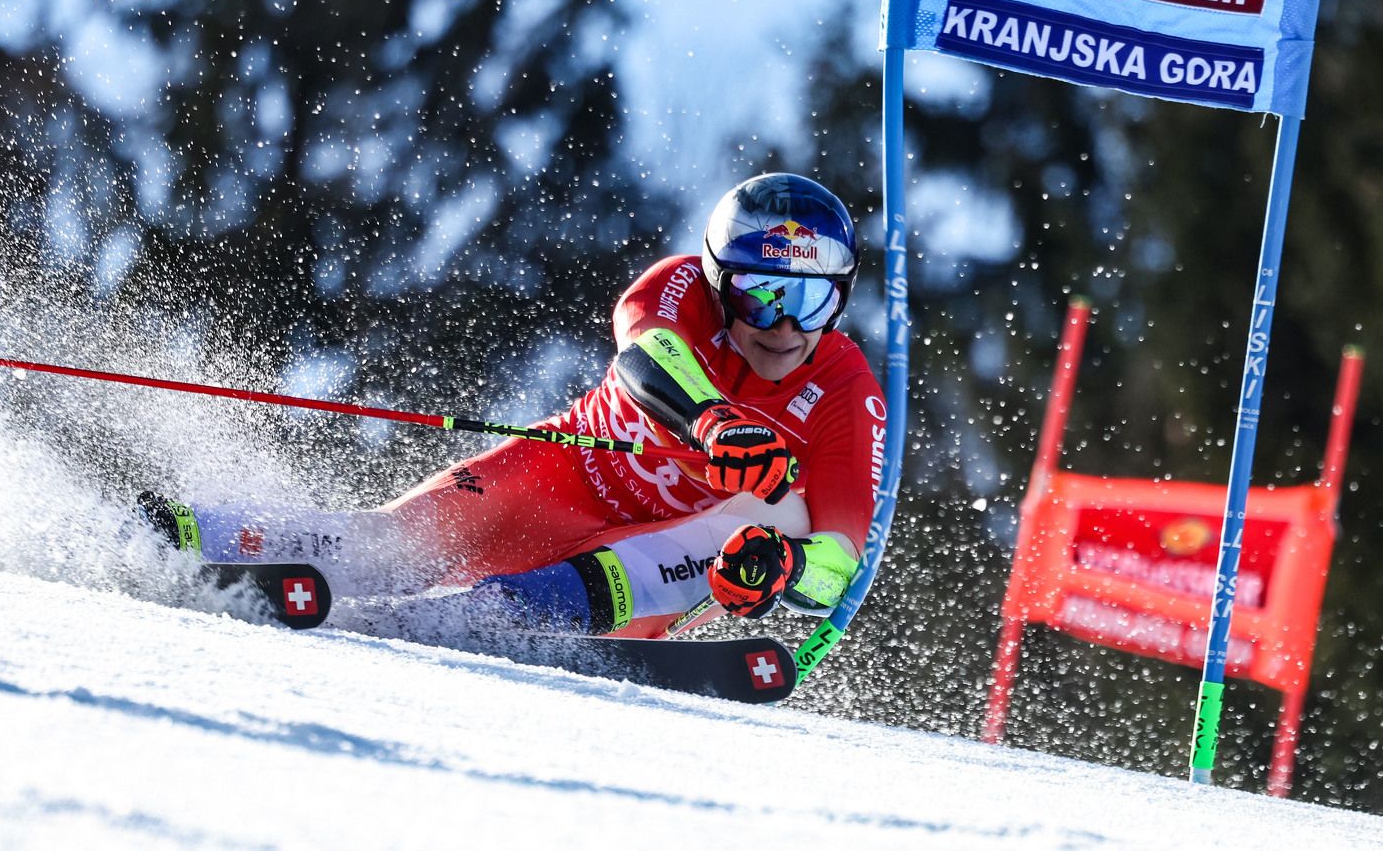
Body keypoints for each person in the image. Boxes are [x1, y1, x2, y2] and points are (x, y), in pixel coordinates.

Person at [140, 172, 886, 640]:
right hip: (562, 475)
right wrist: (713, 421)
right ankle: (172, 533)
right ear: (721, 281)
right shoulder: (680, 285)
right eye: (762, 294)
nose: (786, 325)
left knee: (781, 508)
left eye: (813, 299)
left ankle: (465, 620)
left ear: (842, 297)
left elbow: (839, 563)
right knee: (390, 544)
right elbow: (644, 357)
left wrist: (777, 569)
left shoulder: (848, 392)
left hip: (649, 561)